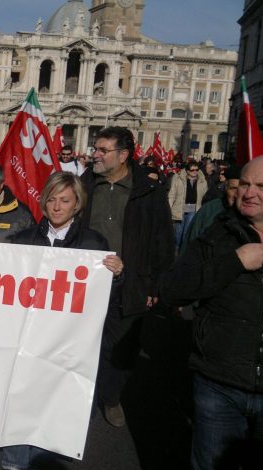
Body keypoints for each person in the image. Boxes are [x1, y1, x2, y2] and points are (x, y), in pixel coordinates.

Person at [159, 154, 263, 470]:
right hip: (218, 382)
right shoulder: (217, 233)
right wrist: (233, 263)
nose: (248, 192)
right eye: (244, 183)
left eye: (261, 187)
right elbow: (173, 289)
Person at [0, 172, 123, 470]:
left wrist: (117, 274)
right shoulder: (24, 238)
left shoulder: (93, 244)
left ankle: (47, 458)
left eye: (65, 200)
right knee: (21, 393)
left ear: (77, 205)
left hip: (68, 336)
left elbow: (105, 297)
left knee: (58, 393)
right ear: (44, 202)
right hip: (29, 333)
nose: (57, 206)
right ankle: (14, 461)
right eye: (52, 199)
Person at [79, 126, 174, 427]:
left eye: (102, 150)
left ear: (123, 155)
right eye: (95, 148)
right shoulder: (84, 184)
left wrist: (156, 284)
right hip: (85, 282)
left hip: (128, 281)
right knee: (81, 341)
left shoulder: (148, 191)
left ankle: (111, 397)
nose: (95, 154)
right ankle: (80, 395)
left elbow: (162, 240)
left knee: (120, 346)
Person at [180, 166, 240, 253]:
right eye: (233, 189)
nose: (237, 195)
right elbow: (189, 245)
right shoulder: (208, 210)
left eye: (243, 188)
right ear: (225, 188)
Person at [168, 160, 207, 251]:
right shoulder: (177, 178)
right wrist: (168, 209)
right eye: (192, 170)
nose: (195, 172)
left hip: (193, 210)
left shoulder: (202, 180)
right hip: (179, 208)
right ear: (187, 170)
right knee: (177, 234)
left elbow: (205, 196)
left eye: (197, 170)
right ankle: (175, 252)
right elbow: (172, 194)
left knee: (186, 233)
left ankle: (182, 253)